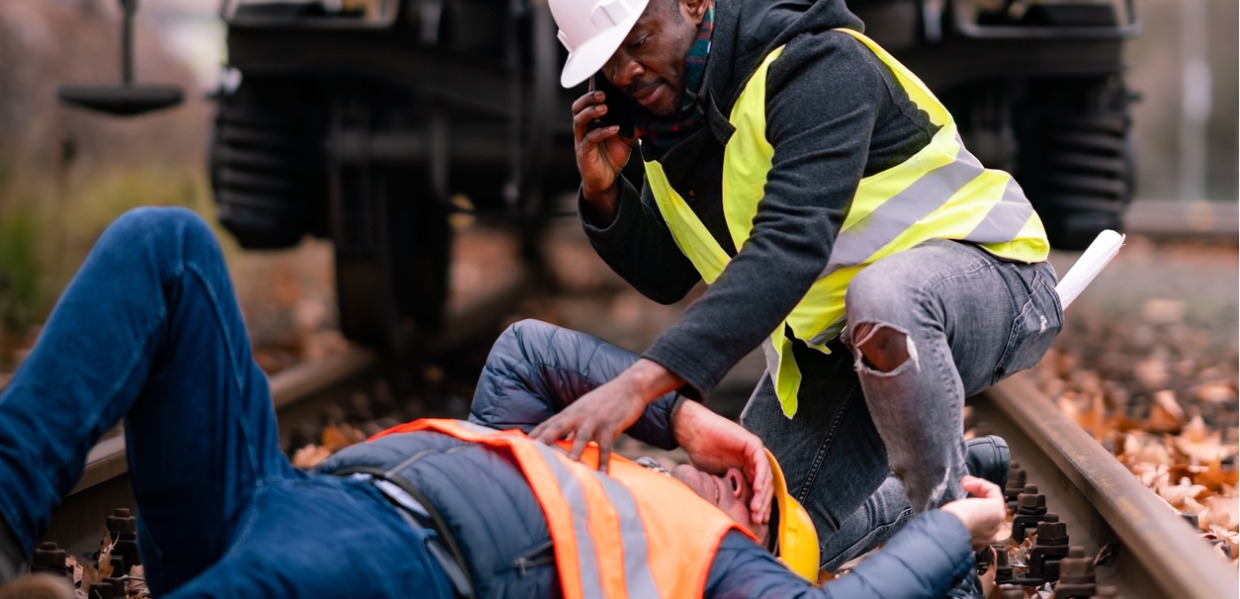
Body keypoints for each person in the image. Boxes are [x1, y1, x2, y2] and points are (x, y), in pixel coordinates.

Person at [0, 208, 1009, 598]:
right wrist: (677, 413)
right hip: (274, 498)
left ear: (754, 540)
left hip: (399, 564)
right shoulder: (570, 454)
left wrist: (954, 525)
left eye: (752, 499)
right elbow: (529, 348)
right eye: (738, 473)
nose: (727, 482)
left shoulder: (714, 572)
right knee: (166, 245)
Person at [536, 0, 1062, 572]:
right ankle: (961, 476)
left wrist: (642, 384)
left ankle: (950, 549)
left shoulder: (817, 65)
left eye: (638, 43)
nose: (625, 74)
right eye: (609, 61)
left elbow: (791, 244)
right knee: (754, 542)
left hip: (992, 282)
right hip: (837, 353)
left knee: (884, 297)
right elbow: (669, 277)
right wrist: (605, 194)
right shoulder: (665, 130)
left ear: (692, 4)